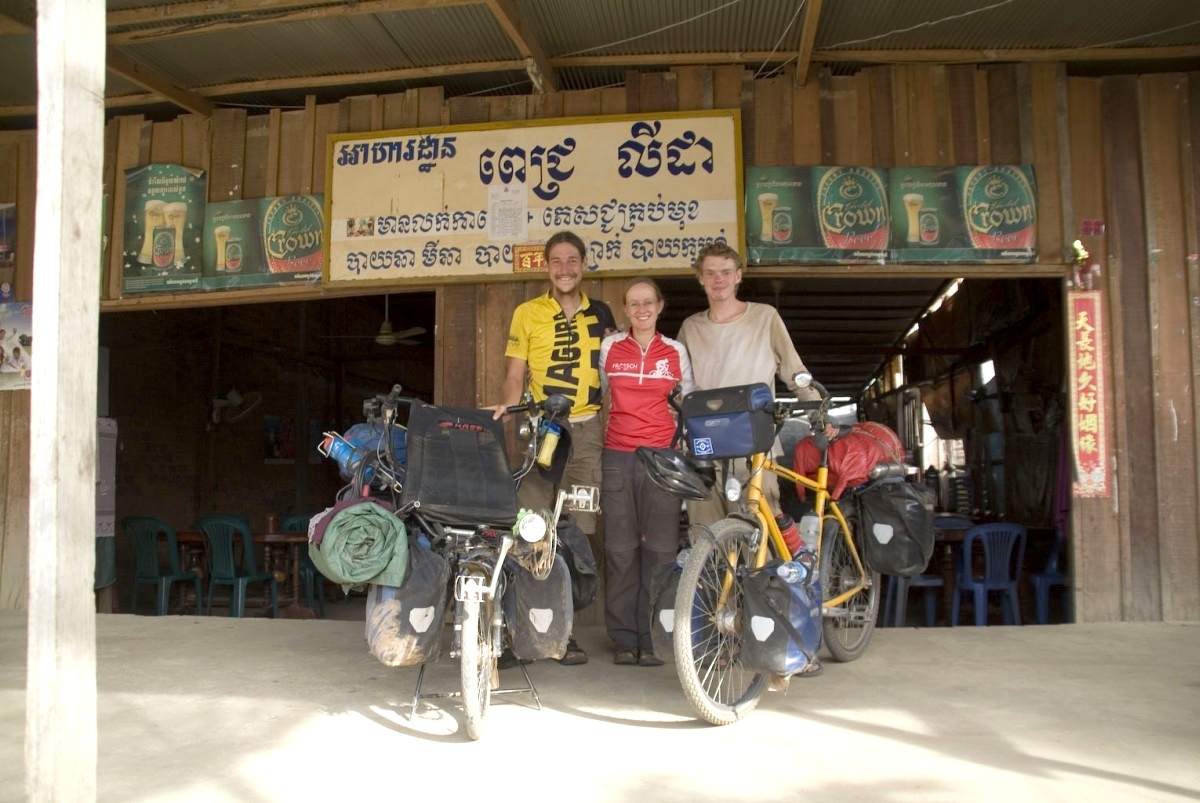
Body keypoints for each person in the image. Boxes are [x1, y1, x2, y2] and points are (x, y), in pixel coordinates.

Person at [676, 242, 831, 677]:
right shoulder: (690, 327)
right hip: (705, 447)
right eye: (710, 273)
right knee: (710, 544)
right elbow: (682, 384)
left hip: (756, 445)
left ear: (739, 275)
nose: (719, 280)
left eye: (726, 271)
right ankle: (724, 639)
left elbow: (794, 369)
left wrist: (816, 406)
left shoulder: (765, 317)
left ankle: (790, 637)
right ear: (700, 278)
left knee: (764, 541)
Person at [491, 230, 615, 666]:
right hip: (542, 430)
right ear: (546, 267)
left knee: (578, 531)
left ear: (584, 265)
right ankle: (517, 629)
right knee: (529, 525)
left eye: (572, 260)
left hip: (588, 434)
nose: (565, 268)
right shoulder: (527, 313)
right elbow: (515, 371)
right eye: (556, 261)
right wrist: (508, 405)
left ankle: (563, 631)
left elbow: (613, 372)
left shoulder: (601, 314)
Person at [598, 277, 692, 667]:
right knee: (620, 550)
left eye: (648, 303)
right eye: (633, 304)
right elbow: (601, 392)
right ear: (625, 309)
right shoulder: (610, 348)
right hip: (618, 455)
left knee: (660, 550)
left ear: (660, 306)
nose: (641, 310)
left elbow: (686, 402)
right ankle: (624, 639)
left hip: (663, 458)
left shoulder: (675, 351)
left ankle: (653, 636)